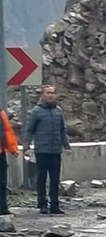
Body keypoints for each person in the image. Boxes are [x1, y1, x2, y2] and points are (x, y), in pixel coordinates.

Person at [24, 85, 72, 215]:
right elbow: (29, 131)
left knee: (55, 179)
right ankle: (42, 204)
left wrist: (66, 146)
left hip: (56, 151)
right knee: (41, 178)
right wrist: (26, 147)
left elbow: (62, 130)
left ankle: (55, 205)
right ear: (43, 95)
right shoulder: (36, 111)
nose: (51, 95)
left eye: (53, 93)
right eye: (48, 93)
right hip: (42, 150)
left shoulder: (58, 111)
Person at [0, 110, 20, 215]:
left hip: (1, 152)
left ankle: (2, 208)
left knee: (2, 181)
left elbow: (7, 131)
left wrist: (12, 149)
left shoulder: (1, 113)